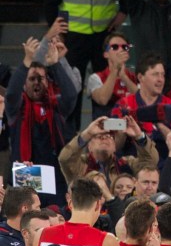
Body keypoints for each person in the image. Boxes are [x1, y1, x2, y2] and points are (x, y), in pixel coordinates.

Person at [44, 0, 128, 129]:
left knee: (106, 86)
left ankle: (106, 134)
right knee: (71, 88)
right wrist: (57, 31)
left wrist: (124, 10)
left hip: (104, 35)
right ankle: (70, 138)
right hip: (74, 37)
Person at [5, 37, 78, 205]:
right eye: (32, 79)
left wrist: (55, 64)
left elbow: (71, 95)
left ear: (48, 81)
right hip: (25, 176)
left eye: (42, 78)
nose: (37, 82)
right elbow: (10, 94)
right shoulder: (16, 109)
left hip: (56, 178)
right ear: (24, 84)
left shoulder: (56, 107)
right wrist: (26, 62)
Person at [58, 115, 157, 188]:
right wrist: (87, 133)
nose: (104, 138)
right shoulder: (81, 165)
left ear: (115, 147)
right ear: (89, 146)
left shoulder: (126, 163)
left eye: (109, 136)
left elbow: (150, 163)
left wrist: (139, 136)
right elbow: (65, 159)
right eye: (98, 136)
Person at [111, 52, 171, 146]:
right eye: (155, 74)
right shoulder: (122, 105)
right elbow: (114, 146)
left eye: (163, 75)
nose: (160, 79)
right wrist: (124, 126)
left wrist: (159, 123)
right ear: (140, 77)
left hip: (164, 159)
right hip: (131, 159)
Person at [85, 32, 137, 120]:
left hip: (130, 127)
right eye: (115, 47)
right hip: (105, 128)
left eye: (125, 47)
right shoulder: (95, 78)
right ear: (106, 54)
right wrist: (115, 70)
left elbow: (143, 102)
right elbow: (102, 100)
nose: (121, 50)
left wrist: (124, 77)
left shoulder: (134, 77)